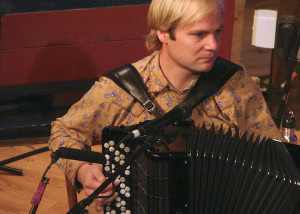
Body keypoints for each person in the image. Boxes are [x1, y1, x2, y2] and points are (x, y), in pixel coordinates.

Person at [48, 0, 285, 213]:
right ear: (163, 33)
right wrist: (83, 171)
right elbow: (64, 132)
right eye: (199, 35)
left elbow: (276, 157)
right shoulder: (119, 89)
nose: (213, 44)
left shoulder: (236, 86)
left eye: (218, 31)